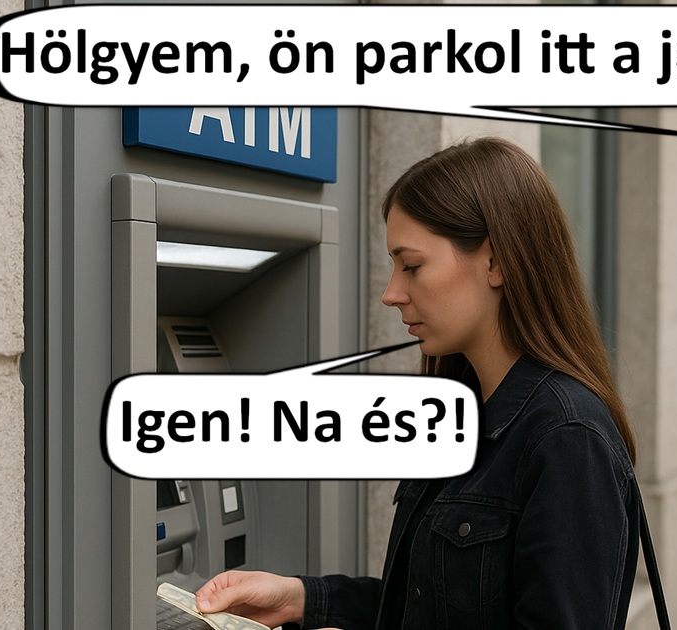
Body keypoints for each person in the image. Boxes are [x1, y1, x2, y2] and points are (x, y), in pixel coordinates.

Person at [195, 137, 644, 629]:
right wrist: (301, 599)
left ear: (496, 261)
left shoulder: (567, 437)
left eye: (411, 266)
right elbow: (429, 607)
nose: (391, 293)